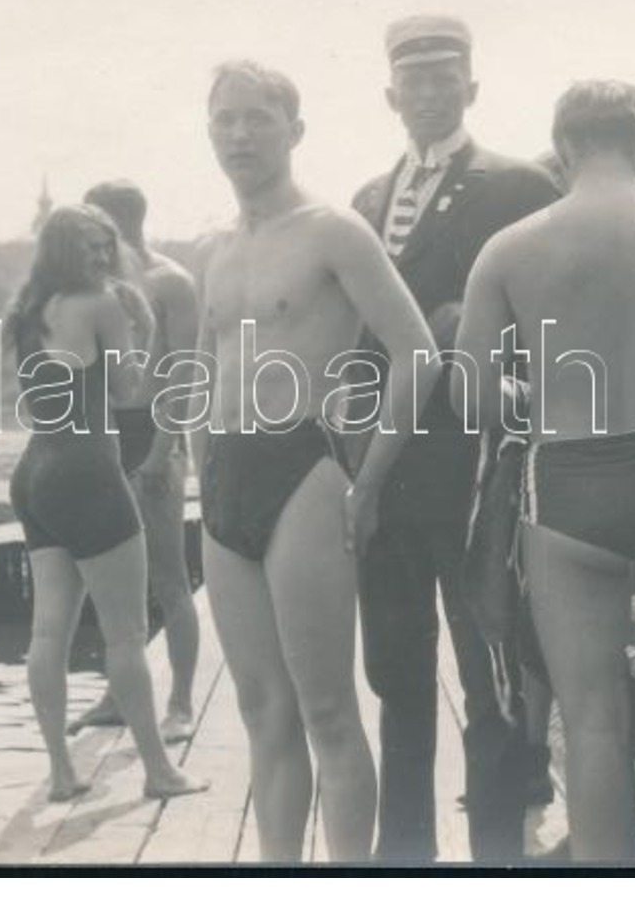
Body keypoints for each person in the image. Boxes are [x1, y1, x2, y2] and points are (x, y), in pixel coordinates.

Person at [452, 79, 635, 861]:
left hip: (573, 496)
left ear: (562, 149)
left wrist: (541, 394)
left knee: (589, 718)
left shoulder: (509, 249)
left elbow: (474, 402)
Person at [195, 60, 438, 862]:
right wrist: (198, 473)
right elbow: (205, 368)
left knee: (327, 711)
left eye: (257, 118)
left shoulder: (333, 230)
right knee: (263, 713)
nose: (239, 134)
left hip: (304, 466)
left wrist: (367, 480)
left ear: (294, 131)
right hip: (224, 479)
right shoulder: (216, 248)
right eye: (225, 118)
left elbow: (418, 354)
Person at [350, 15, 564, 863]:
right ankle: (402, 856)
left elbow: (554, 322)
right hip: (387, 468)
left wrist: (479, 338)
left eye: (447, 76)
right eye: (415, 78)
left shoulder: (519, 187)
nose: (430, 92)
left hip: (477, 474)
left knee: (491, 678)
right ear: (390, 93)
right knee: (397, 674)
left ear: (472, 86)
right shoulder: (365, 200)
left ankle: (495, 854)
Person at [6, 204, 208, 804]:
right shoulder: (101, 306)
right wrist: (142, 326)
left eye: (105, 246)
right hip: (90, 470)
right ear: (66, 253)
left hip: (35, 471)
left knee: (50, 632)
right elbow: (129, 394)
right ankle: (158, 771)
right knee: (126, 632)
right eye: (89, 248)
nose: (99, 257)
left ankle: (63, 773)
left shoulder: (25, 311)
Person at [67, 179, 202, 744]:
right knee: (107, 577)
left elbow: (186, 370)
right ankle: (115, 695)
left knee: (169, 577)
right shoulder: (96, 286)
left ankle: (181, 702)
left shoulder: (171, 282)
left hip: (154, 431)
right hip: (104, 435)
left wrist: (161, 450)